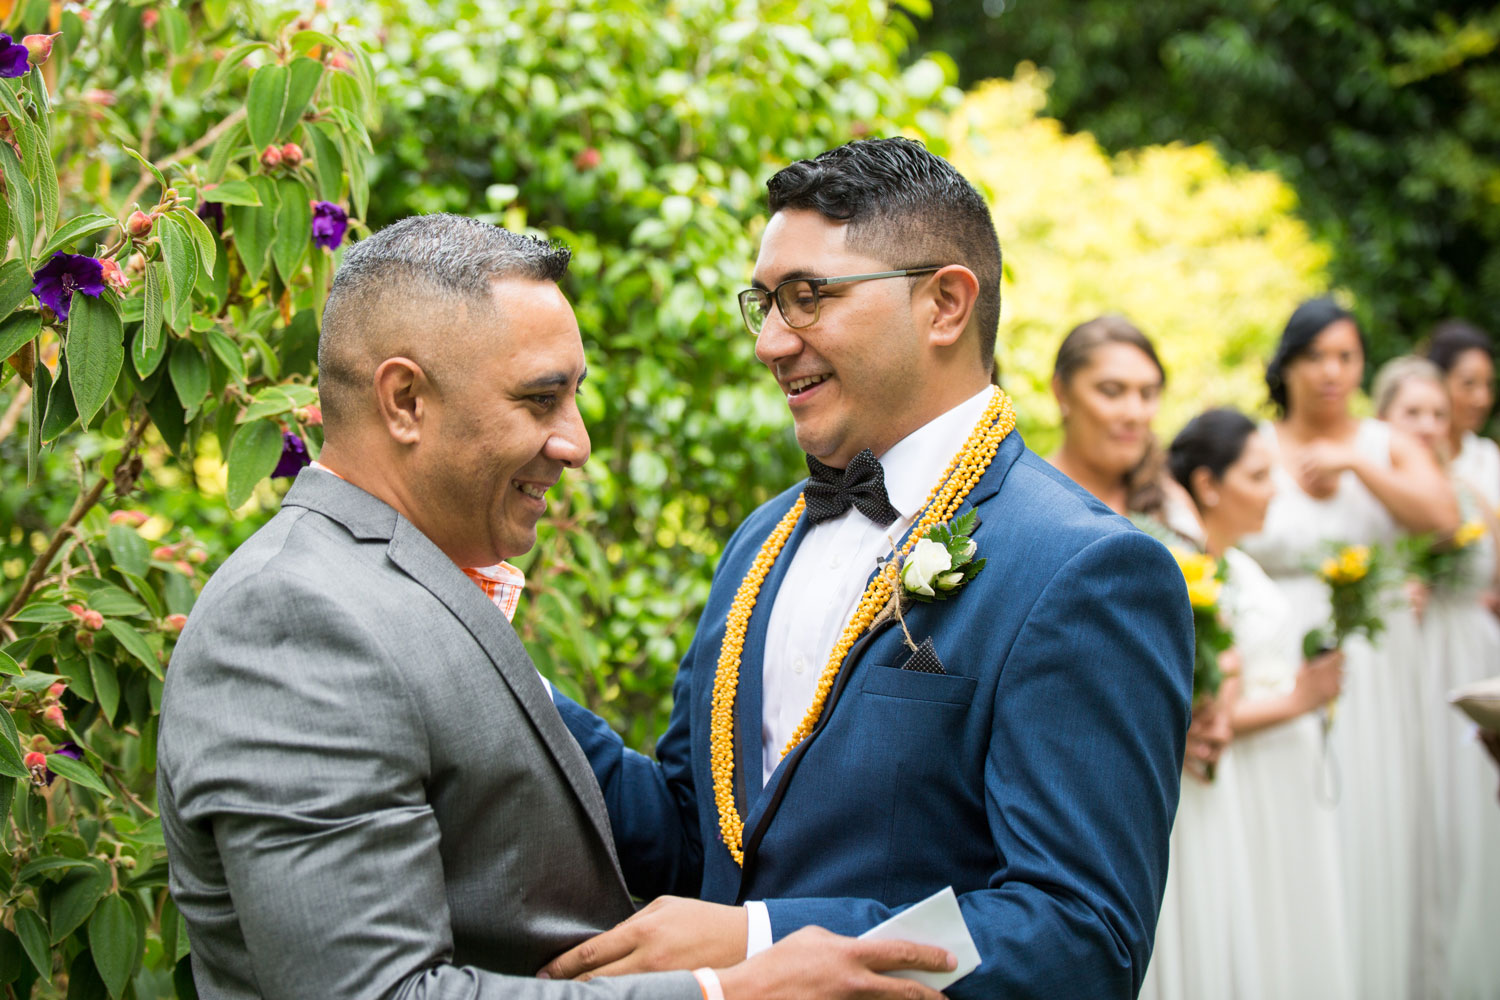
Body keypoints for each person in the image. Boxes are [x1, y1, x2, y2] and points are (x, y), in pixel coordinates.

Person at [156, 214, 959, 1000]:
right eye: (541, 401)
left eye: (574, 397)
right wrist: (728, 992)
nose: (574, 441)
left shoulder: (399, 584)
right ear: (404, 400)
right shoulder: (293, 619)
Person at [544, 138, 1194, 998]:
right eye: (766, 303)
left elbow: (1079, 935)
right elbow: (696, 838)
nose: (772, 342)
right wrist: (512, 690)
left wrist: (761, 939)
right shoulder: (761, 539)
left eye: (807, 298)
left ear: (945, 305)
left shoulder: (1088, 568)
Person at [1239, 298, 1457, 1000]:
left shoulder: (1387, 441)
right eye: (1315, 356)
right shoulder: (1255, 445)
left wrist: (1357, 466)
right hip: (1281, 664)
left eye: (1346, 356)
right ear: (1288, 365)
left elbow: (1445, 518)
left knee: (1375, 821)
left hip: (1379, 671)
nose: (1332, 371)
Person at [1045, 320, 1257, 1000]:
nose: (1134, 411)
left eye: (1147, 393)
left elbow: (1219, 628)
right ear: (1062, 393)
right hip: (1073, 762)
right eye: (1112, 390)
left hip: (1181, 775)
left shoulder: (1169, 503)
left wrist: (1217, 702)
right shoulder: (1033, 495)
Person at [1168, 408, 1353, 1000]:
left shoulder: (1241, 566)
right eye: (1257, 476)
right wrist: (1301, 698)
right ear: (1208, 485)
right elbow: (1198, 719)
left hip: (1283, 784)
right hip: (1235, 784)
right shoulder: (1184, 574)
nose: (1274, 491)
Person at [1372, 356, 1500, 999]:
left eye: (1436, 414)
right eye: (1411, 413)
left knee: (1469, 814)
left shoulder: (1472, 493)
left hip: (1471, 655)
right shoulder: (1373, 498)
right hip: (1405, 664)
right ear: (1384, 419)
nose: (1426, 425)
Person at [1425, 319, 1500, 618]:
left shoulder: (1487, 456)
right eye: (1468, 384)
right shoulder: (1415, 457)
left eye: (1488, 385)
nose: (1481, 399)